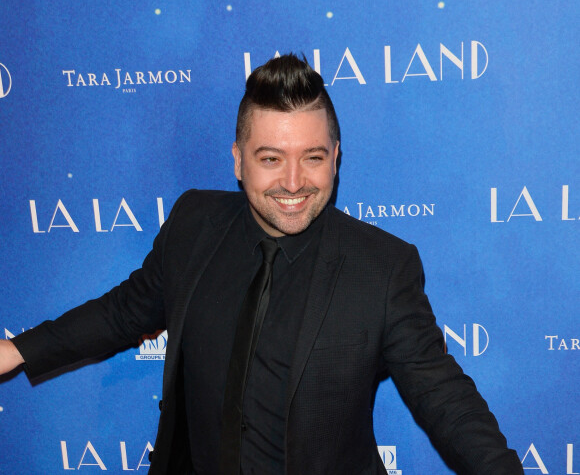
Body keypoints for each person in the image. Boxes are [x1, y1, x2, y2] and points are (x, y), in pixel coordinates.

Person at [0, 54, 522, 474]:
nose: (293, 181)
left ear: (336, 157)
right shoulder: (193, 224)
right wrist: (18, 349)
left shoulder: (382, 268)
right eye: (271, 158)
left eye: (313, 157)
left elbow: (442, 395)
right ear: (237, 159)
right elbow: (125, 312)